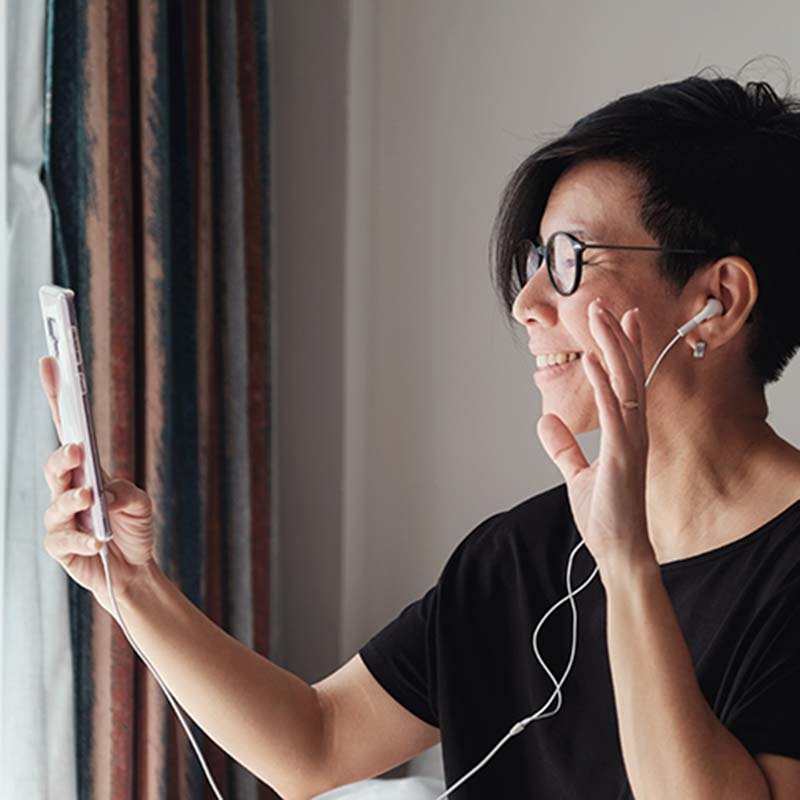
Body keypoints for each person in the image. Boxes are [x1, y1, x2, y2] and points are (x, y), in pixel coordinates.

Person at [41, 70, 800, 799]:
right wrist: (131, 585)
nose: (526, 302)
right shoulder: (516, 556)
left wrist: (628, 567)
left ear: (717, 300)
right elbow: (316, 744)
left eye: (569, 260)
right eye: (536, 260)